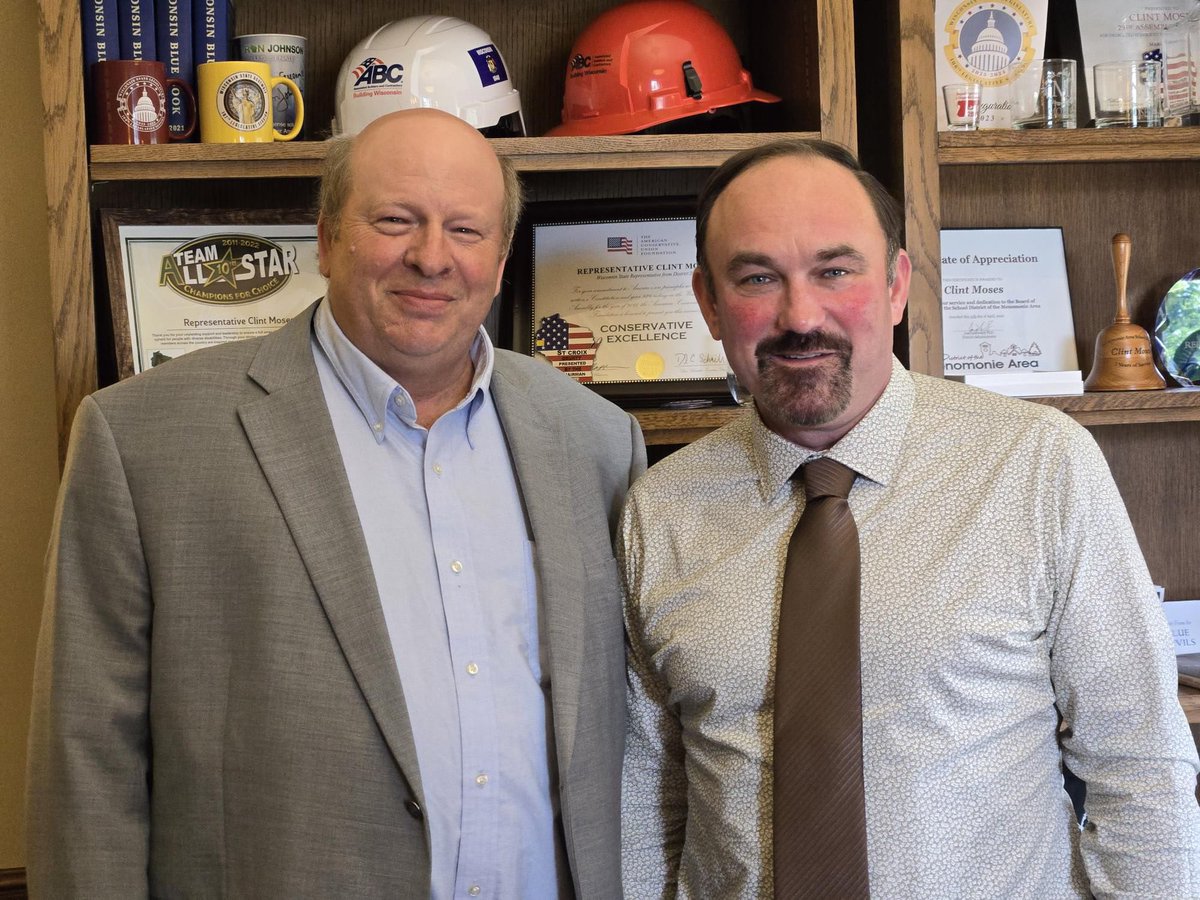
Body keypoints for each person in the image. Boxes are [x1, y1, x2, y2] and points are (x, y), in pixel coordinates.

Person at [27, 108, 645, 899]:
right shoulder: (142, 440)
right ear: (324, 238)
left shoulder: (594, 441)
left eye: (466, 230)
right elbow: (87, 761)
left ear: (499, 261)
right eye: (395, 221)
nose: (431, 258)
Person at [619, 138, 1200, 898]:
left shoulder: (1038, 464)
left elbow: (1138, 762)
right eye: (759, 277)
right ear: (708, 302)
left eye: (835, 270)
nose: (801, 316)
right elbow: (649, 798)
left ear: (897, 286)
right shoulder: (658, 510)